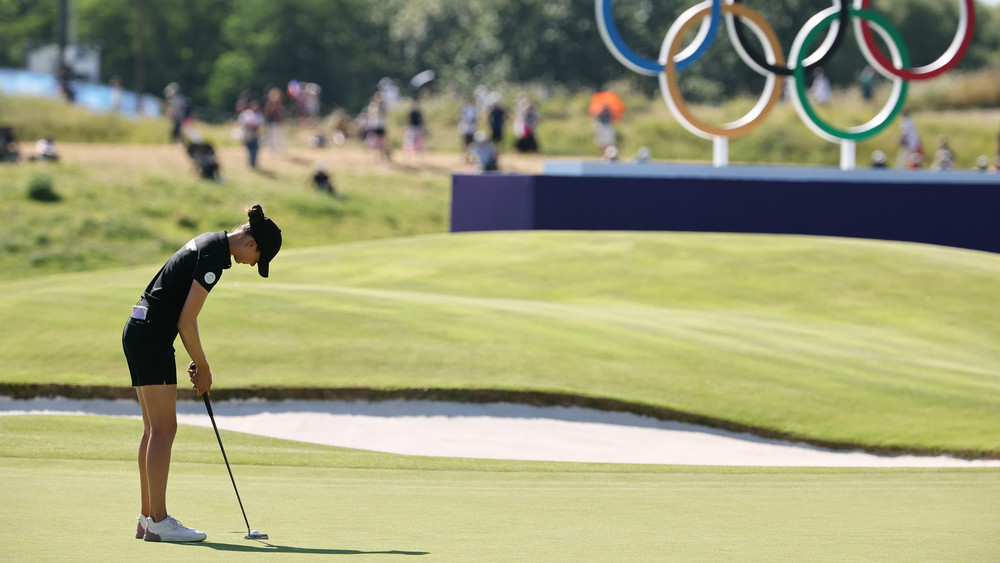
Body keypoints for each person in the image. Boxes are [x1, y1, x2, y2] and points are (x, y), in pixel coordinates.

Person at [123, 204, 282, 543]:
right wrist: (205, 368)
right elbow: (186, 322)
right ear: (251, 244)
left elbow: (180, 316)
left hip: (139, 328)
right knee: (165, 429)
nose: (253, 265)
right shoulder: (214, 258)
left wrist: (198, 359)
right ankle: (159, 521)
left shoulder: (210, 243)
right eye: (259, 260)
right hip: (151, 335)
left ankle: (147, 519)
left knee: (154, 429)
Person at [237, 99, 263, 169]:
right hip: (247, 134)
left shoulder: (259, 115)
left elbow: (260, 125)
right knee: (249, 149)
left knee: (255, 149)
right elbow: (240, 123)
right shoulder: (246, 114)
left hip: (255, 134)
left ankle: (253, 162)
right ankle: (251, 162)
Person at [263, 87, 287, 155]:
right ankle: (272, 150)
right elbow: (266, 114)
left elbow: (282, 113)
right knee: (271, 137)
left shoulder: (279, 104)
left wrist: (283, 120)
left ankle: (280, 149)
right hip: (271, 122)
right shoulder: (269, 104)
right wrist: (265, 122)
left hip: (279, 122)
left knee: (280, 136)